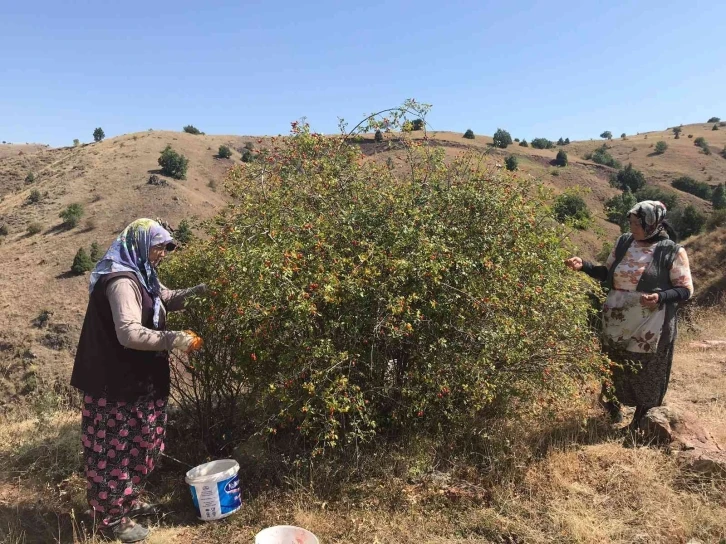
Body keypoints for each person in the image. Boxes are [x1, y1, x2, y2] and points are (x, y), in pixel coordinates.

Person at [70, 218, 204, 543]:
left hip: (140, 382)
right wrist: (174, 338)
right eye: (159, 246)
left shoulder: (144, 275)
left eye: (166, 248)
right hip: (114, 384)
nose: (163, 254)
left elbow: (167, 298)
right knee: (114, 452)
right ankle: (111, 519)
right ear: (141, 244)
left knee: (143, 445)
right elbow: (128, 332)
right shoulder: (121, 281)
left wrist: (204, 292)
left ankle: (127, 501)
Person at [565, 201, 693, 428]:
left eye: (638, 223)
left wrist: (660, 297)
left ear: (654, 224)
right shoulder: (624, 242)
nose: (633, 227)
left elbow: (685, 289)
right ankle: (613, 410)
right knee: (613, 364)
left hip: (650, 324)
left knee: (645, 370)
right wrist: (583, 265)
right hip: (616, 319)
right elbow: (606, 273)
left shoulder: (672, 251)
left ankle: (640, 422)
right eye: (631, 222)